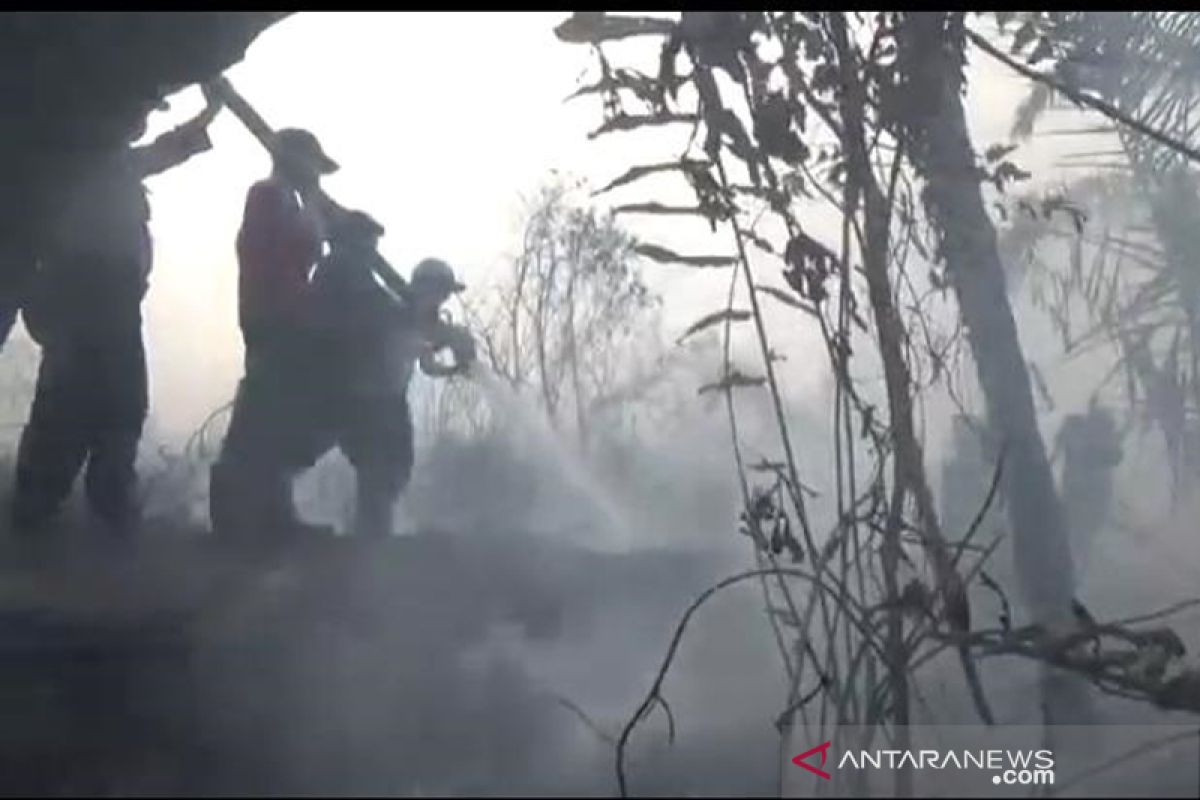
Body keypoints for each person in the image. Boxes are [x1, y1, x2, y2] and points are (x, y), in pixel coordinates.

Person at [11, 86, 224, 536]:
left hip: (109, 303)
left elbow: (166, 151)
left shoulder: (106, 161)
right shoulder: (83, 164)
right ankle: (49, 511)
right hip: (89, 300)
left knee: (112, 403)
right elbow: (163, 153)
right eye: (138, 107)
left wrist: (210, 111)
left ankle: (92, 507)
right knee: (79, 404)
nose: (142, 116)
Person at [305, 211, 475, 539]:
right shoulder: (392, 306)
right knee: (384, 470)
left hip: (387, 402)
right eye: (441, 290)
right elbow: (398, 339)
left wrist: (454, 367)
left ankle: (368, 533)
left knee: (390, 472)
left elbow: (425, 363)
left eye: (446, 294)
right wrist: (444, 338)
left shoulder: (415, 315)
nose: (443, 298)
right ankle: (369, 542)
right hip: (370, 401)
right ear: (425, 286)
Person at [208, 127, 341, 542]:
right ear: (294, 161)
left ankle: (273, 515)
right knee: (261, 415)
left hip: (287, 319)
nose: (317, 176)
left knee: (278, 415)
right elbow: (287, 249)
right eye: (313, 166)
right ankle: (238, 520)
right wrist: (321, 220)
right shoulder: (268, 195)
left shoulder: (288, 201)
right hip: (273, 319)